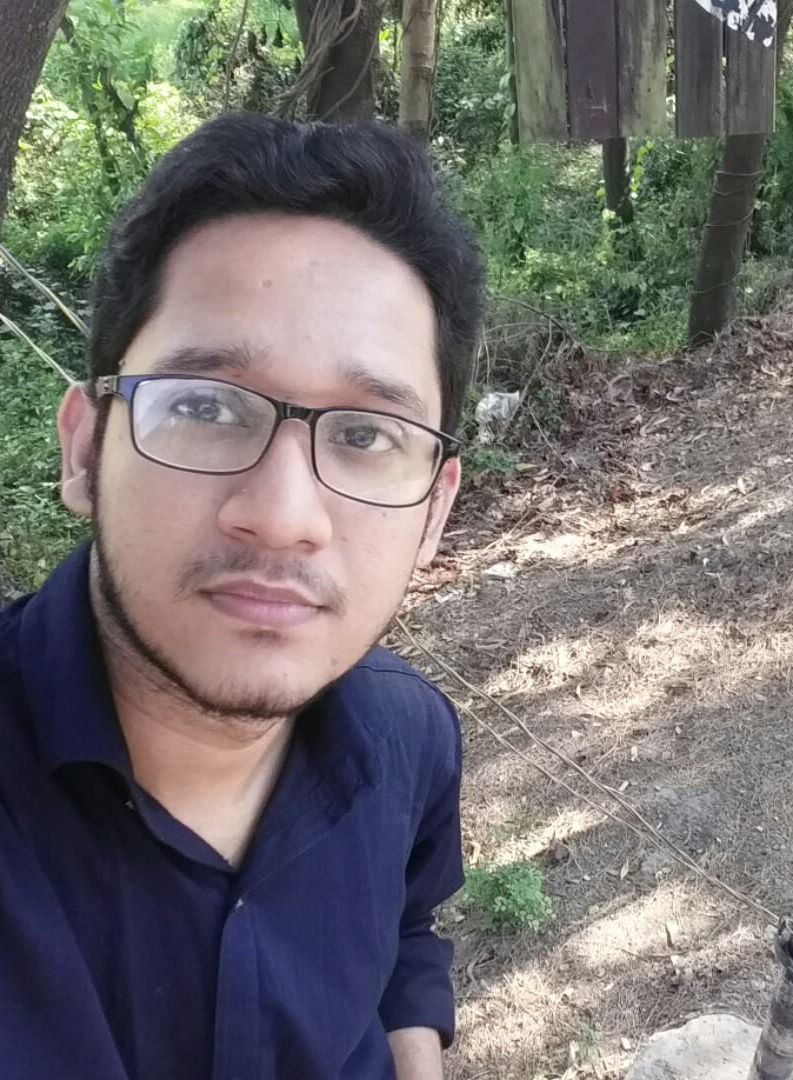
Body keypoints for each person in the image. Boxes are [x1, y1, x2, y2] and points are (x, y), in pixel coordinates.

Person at [0, 113, 484, 1079]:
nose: (283, 516)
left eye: (365, 435)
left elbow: (407, 931)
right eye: (206, 407)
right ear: (86, 449)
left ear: (433, 511)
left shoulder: (412, 739)